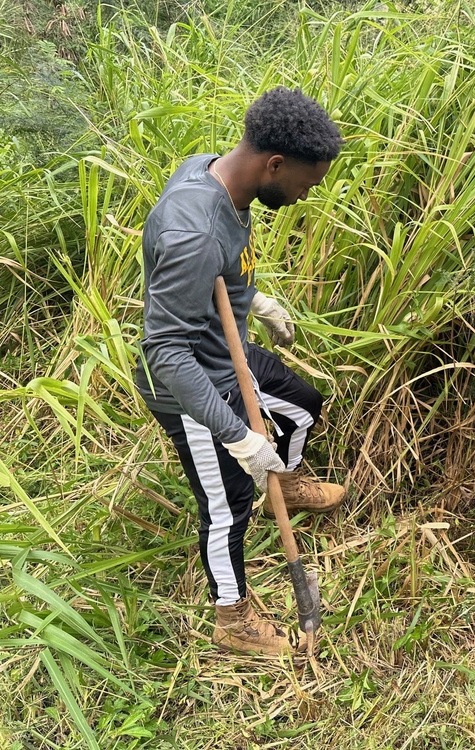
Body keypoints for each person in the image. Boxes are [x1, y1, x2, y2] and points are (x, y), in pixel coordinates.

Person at [136, 86, 346, 655]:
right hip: (190, 384)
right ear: (274, 164)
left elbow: (209, 280)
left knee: (303, 404)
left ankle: (290, 479)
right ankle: (231, 617)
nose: (304, 197)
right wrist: (236, 436)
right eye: (305, 184)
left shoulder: (218, 175)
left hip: (226, 352)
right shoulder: (194, 228)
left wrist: (255, 300)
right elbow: (166, 351)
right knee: (229, 505)